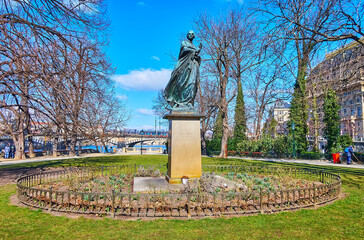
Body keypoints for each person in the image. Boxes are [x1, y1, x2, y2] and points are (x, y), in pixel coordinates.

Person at [164, 30, 202, 109]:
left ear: (194, 36)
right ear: (187, 35)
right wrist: (195, 51)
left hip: (193, 66)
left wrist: (197, 54)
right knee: (181, 83)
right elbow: (184, 50)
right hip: (184, 66)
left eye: (192, 34)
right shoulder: (184, 43)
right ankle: (177, 101)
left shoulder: (194, 46)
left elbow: (195, 56)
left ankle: (189, 102)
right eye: (189, 34)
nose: (191, 35)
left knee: (192, 83)